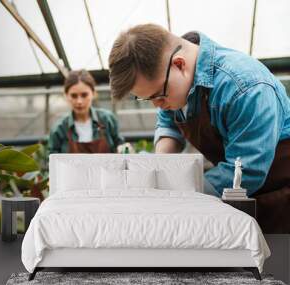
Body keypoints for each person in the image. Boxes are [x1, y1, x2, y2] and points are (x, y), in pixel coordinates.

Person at [108, 24, 290, 233]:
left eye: (158, 95)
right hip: (246, 197)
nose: (156, 104)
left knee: (278, 261)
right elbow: (168, 121)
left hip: (279, 193)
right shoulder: (172, 82)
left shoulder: (246, 87)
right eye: (147, 98)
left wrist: (176, 190)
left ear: (179, 64)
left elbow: (246, 170)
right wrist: (159, 166)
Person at [49, 69, 124, 154]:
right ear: (66, 96)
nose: (79, 101)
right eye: (74, 96)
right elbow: (52, 160)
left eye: (84, 95)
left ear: (93, 93)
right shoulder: (60, 128)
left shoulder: (107, 120)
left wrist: (123, 149)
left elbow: (120, 146)